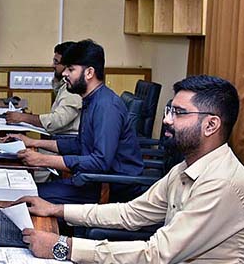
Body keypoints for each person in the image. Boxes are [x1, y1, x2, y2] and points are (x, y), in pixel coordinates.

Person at [17, 75, 244, 264]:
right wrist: (58, 210)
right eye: (169, 110)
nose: (167, 120)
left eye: (179, 113)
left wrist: (63, 247)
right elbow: (131, 213)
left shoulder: (222, 184)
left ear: (211, 124)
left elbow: (155, 254)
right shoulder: (187, 168)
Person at [8, 40, 143, 204]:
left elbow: (100, 162)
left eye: (71, 69)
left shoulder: (106, 106)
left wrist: (42, 159)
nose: (65, 74)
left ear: (89, 73)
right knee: (28, 190)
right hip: (91, 181)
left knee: (26, 197)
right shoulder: (92, 100)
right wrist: (33, 142)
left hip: (109, 188)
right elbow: (80, 144)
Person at [6, 41, 81, 134]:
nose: (52, 65)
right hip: (61, 138)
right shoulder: (64, 85)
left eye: (56, 62)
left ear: (68, 66)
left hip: (66, 140)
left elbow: (57, 121)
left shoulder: (73, 89)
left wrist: (23, 118)